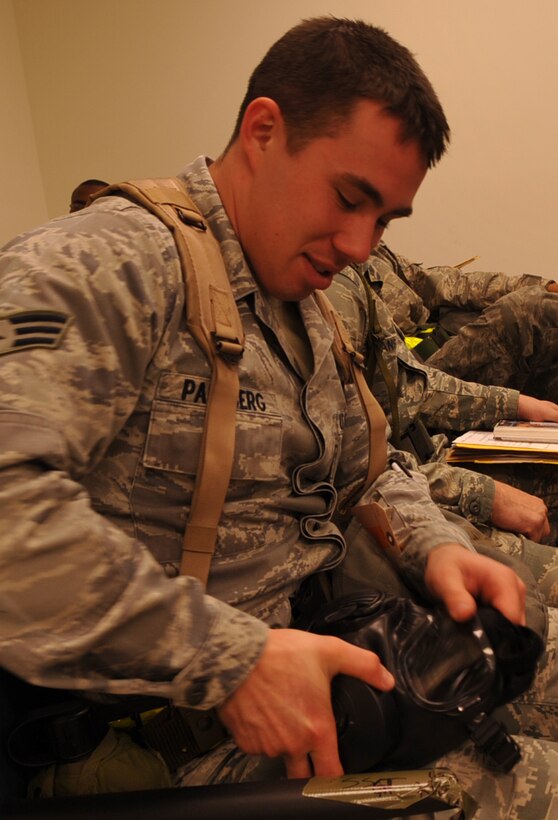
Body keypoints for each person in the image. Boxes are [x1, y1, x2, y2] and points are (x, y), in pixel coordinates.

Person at [0, 16, 556, 816]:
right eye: (350, 198)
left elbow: (372, 460)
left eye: (386, 220)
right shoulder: (108, 265)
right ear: (263, 130)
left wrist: (434, 545)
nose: (364, 244)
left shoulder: (299, 300)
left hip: (330, 666)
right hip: (184, 746)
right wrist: (230, 659)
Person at [355, 245, 558, 543]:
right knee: (531, 311)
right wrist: (513, 405)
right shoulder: (328, 293)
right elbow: (402, 391)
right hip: (412, 400)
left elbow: (435, 282)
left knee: (544, 304)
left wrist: (538, 284)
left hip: (426, 366)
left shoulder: (370, 256)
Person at [374, 241, 558, 401]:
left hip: (441, 344)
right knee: (529, 312)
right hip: (414, 379)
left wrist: (542, 286)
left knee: (540, 310)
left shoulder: (371, 251)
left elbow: (441, 283)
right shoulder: (347, 285)